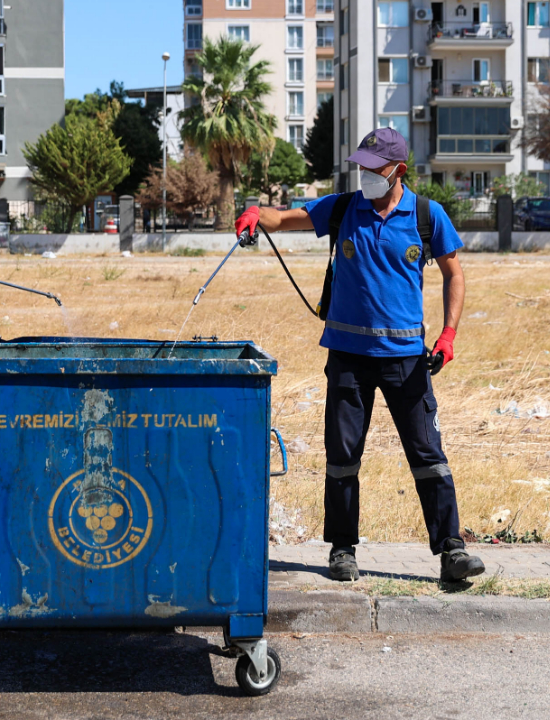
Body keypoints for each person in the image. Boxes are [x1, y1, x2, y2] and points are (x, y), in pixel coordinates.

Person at [234, 128, 485, 583]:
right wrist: (255, 214)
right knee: (343, 456)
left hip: (406, 358)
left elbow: (455, 275)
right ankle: (342, 550)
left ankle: (451, 549)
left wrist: (448, 334)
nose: (365, 175)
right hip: (348, 356)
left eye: (374, 168)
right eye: (362, 167)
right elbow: (284, 219)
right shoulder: (344, 207)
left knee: (428, 454)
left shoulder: (428, 215)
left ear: (398, 171)